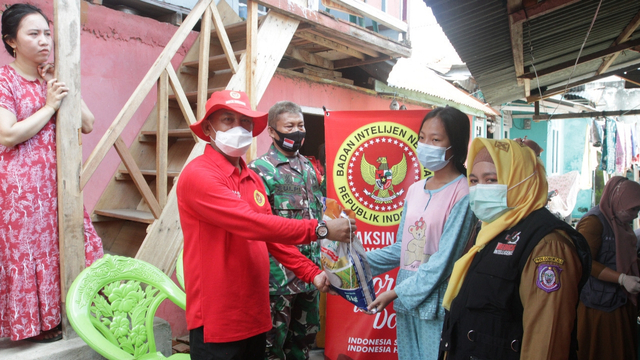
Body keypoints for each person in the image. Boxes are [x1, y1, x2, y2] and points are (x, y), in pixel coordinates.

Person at [176, 90, 355, 360]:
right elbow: (253, 224)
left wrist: (311, 273)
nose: (238, 127)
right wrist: (321, 229)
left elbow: (270, 238)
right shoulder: (199, 175)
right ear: (209, 127)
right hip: (219, 319)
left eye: (245, 121)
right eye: (228, 119)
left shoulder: (251, 179)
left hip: (255, 314)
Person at [0, 3, 103, 343]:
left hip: (59, 186)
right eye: (33, 33)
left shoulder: (53, 79)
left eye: (47, 33)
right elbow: (7, 134)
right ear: (11, 41)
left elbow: (87, 124)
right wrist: (49, 106)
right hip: (21, 191)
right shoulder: (5, 79)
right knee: (28, 255)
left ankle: (76, 317)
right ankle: (35, 328)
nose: (45, 40)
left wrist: (63, 84)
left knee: (75, 243)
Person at [439, 138, 591, 360]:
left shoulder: (548, 245)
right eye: (474, 180)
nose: (480, 189)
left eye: (491, 180)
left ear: (520, 180)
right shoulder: (490, 231)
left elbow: (545, 342)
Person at [364, 106, 477, 360]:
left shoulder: (463, 193)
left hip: (437, 303)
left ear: (455, 145)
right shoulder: (414, 189)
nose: (426, 145)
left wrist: (395, 292)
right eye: (423, 137)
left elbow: (443, 263)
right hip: (406, 300)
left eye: (436, 139)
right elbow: (401, 249)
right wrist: (356, 264)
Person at [248, 101, 325, 360]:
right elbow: (262, 229)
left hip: (310, 276)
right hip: (277, 281)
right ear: (272, 131)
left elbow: (317, 213)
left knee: (303, 341)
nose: (297, 131)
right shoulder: (259, 171)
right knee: (271, 348)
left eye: (300, 125)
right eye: (289, 126)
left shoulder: (310, 168)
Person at [576, 176, 640, 360]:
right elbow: (584, 262)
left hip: (620, 302)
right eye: (633, 209)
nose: (635, 215)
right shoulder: (594, 222)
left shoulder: (620, 225)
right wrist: (621, 279)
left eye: (638, 210)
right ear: (618, 202)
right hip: (598, 306)